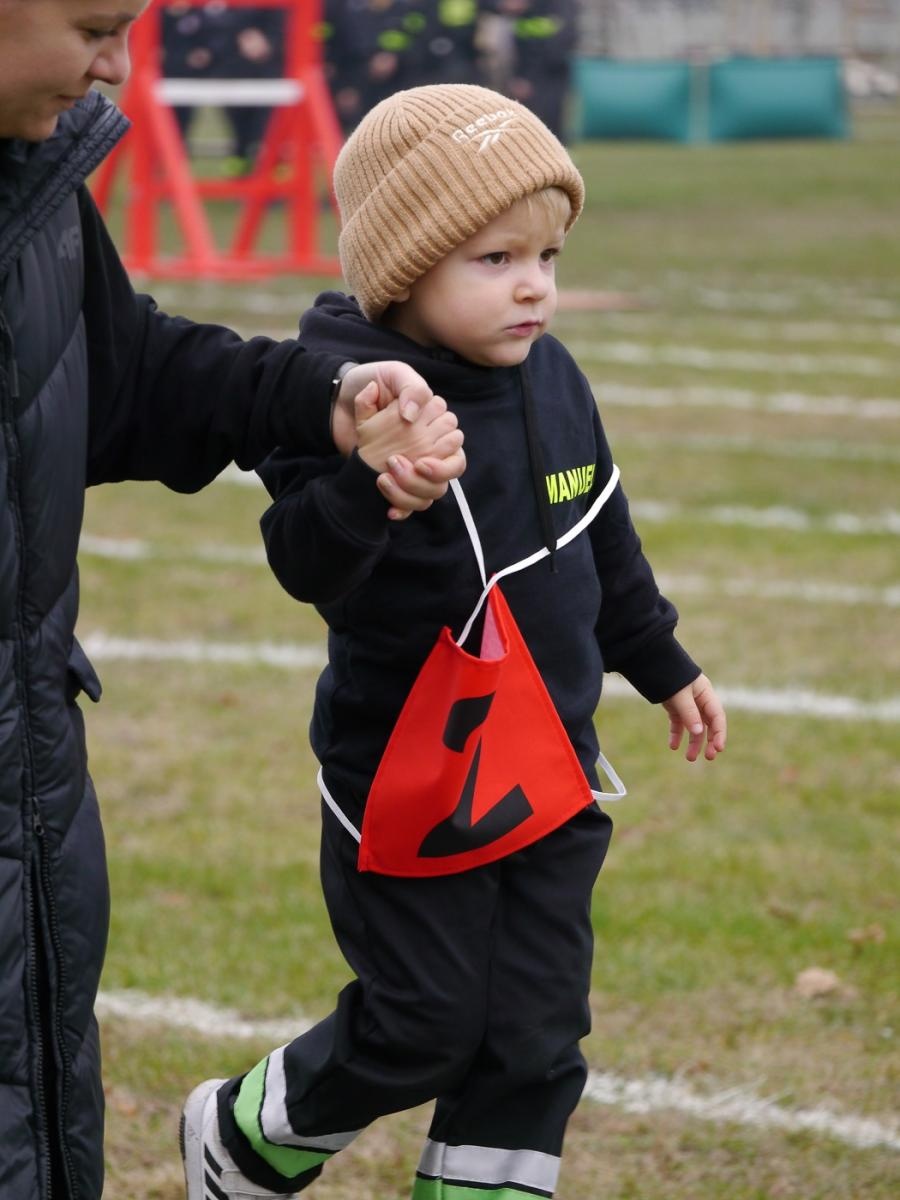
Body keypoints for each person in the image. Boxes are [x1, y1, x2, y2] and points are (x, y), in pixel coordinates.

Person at [180, 83, 727, 1200]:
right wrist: (369, 490)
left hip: (552, 775)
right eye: (493, 258)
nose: (534, 283)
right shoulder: (352, 403)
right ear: (402, 271)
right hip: (409, 781)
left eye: (548, 253)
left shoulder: (557, 379)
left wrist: (662, 660)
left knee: (535, 1032)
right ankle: (242, 1136)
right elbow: (301, 564)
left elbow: (598, 535)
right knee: (423, 1027)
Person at [0, 4, 465, 1199]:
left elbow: (124, 375)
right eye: (95, 24)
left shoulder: (34, 182)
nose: (118, 63)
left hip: (30, 780)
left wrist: (325, 396)